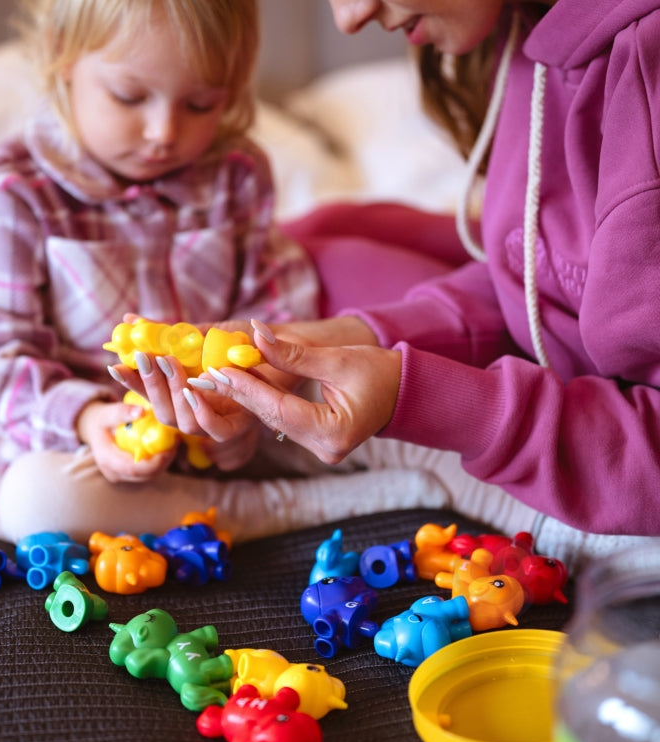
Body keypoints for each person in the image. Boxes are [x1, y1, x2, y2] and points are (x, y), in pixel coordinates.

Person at [159, 0, 660, 575]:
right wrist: (341, 337)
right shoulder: (527, 36)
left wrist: (414, 395)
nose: (348, 19)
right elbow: (538, 286)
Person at [0, 0, 329, 542]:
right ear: (61, 55)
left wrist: (246, 408)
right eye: (129, 96)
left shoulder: (235, 174)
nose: (163, 132)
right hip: (89, 440)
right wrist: (85, 418)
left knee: (357, 391)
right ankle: (280, 507)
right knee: (35, 501)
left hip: (223, 427)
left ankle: (227, 496)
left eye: (200, 103)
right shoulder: (9, 195)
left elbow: (278, 309)